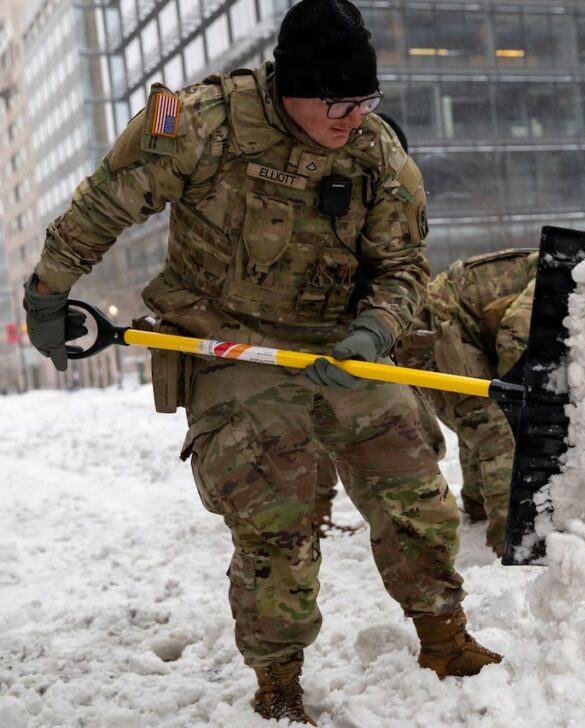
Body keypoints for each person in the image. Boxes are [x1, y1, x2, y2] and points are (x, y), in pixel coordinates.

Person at [20, 0, 500, 724]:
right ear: (290, 88)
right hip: (227, 342)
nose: (351, 115)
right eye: (336, 101)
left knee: (415, 488)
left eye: (364, 99)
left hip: (342, 346)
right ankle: (279, 686)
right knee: (277, 508)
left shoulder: (375, 154)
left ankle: (444, 637)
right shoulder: (203, 124)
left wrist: (373, 331)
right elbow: (103, 205)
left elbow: (403, 267)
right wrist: (49, 293)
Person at [394, 249, 537, 557]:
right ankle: (511, 541)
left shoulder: (560, 267)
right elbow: (513, 337)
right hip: (431, 340)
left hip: (449, 332)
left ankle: (476, 503)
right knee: (496, 428)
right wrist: (520, 397)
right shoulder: (562, 284)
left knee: (476, 417)